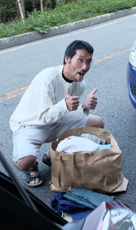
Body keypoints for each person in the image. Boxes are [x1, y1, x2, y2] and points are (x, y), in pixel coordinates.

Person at [9, 40, 104, 187]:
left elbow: (66, 115)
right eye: (80, 60)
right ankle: (32, 165)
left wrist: (84, 107)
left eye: (89, 62)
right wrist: (64, 105)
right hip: (31, 125)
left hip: (56, 122)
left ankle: (51, 156)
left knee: (97, 123)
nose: (85, 67)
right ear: (67, 58)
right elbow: (43, 116)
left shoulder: (80, 84)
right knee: (24, 163)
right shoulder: (47, 78)